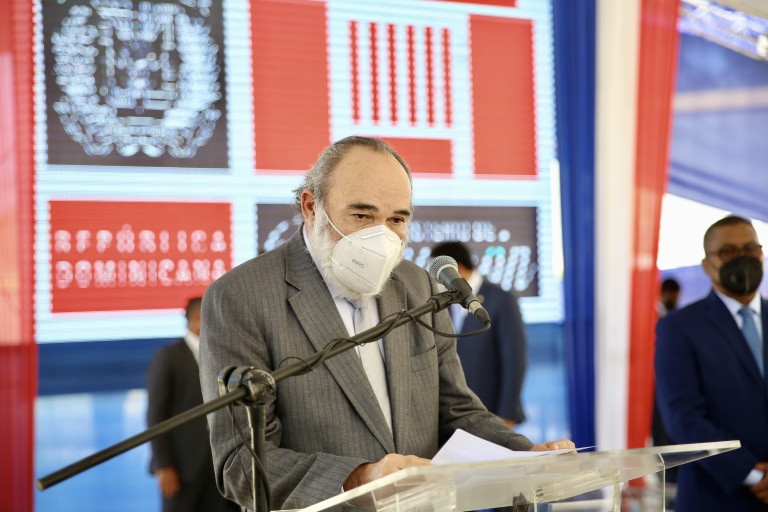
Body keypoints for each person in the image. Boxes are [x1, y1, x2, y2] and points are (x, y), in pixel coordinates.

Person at [199, 136, 574, 510]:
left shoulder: (419, 286)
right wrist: (361, 478)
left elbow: (456, 411)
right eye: (362, 216)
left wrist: (525, 456)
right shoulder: (240, 296)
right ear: (311, 207)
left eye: (396, 219)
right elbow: (240, 466)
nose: (380, 237)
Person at [655, 215, 768, 511]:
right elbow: (683, 417)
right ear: (706, 264)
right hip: (715, 497)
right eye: (727, 251)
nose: (741, 258)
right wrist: (752, 474)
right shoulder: (679, 327)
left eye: (750, 248)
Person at [146, 297, 239, 512]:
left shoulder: (225, 355)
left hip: (223, 465)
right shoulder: (168, 357)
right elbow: (156, 414)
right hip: (183, 466)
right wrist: (163, 464)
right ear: (197, 318)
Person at [430, 241, 527, 428]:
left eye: (438, 272)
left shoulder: (501, 299)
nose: (434, 279)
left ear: (456, 268)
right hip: (452, 413)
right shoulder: (441, 302)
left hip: (491, 410)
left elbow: (514, 361)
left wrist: (507, 414)